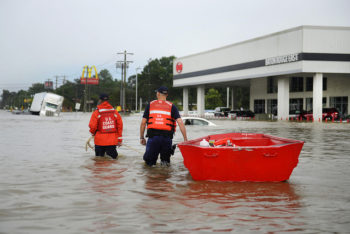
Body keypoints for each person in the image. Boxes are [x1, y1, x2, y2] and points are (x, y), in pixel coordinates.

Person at [140, 86, 188, 166]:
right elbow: (180, 122)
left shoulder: (150, 105)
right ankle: (164, 177)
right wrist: (185, 139)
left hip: (153, 138)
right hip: (167, 139)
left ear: (158, 93)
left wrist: (142, 137)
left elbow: (143, 123)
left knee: (149, 165)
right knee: (165, 164)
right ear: (167, 95)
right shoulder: (172, 106)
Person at [89, 93, 123, 159]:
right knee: (113, 162)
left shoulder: (96, 112)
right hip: (112, 141)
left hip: (99, 141)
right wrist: (119, 139)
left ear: (100, 100)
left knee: (99, 162)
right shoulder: (115, 112)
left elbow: (92, 126)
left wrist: (93, 133)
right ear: (108, 100)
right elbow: (120, 126)